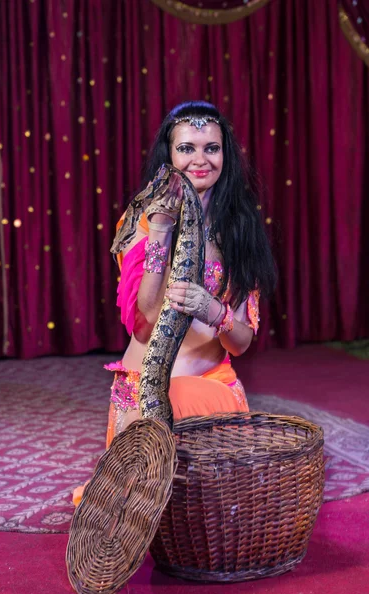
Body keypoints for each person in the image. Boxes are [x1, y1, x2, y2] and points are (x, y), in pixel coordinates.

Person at [73, 100, 276, 506]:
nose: (200, 160)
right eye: (186, 148)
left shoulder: (241, 229)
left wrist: (213, 311)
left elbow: (240, 343)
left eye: (211, 148)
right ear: (168, 155)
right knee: (145, 480)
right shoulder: (143, 221)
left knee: (175, 494)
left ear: (226, 155)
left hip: (208, 388)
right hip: (142, 392)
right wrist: (161, 233)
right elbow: (145, 320)